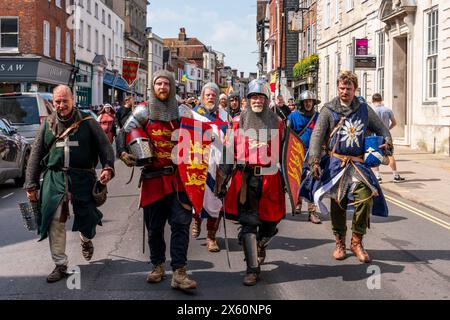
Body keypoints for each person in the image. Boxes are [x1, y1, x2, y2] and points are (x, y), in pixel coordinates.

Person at [24, 85, 115, 283]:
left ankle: (86, 238)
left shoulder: (88, 122)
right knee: (55, 220)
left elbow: (104, 146)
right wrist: (31, 185)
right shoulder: (47, 124)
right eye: (57, 101)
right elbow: (35, 155)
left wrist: (108, 167)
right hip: (55, 177)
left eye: (65, 100)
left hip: (82, 177)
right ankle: (60, 264)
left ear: (73, 100)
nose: (61, 105)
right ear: (53, 102)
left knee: (87, 217)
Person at [119, 70, 197, 290]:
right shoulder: (143, 110)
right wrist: (124, 152)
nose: (162, 87)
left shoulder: (183, 112)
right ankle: (158, 266)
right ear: (153, 87)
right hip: (153, 179)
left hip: (178, 179)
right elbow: (124, 133)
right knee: (154, 228)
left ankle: (180, 272)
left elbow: (197, 140)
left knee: (181, 225)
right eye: (158, 84)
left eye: (166, 84)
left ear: (172, 87)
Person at [308, 71, 392, 263]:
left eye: (349, 88)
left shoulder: (364, 109)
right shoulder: (328, 110)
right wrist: (314, 160)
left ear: (355, 89)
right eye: (342, 88)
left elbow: (382, 129)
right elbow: (317, 136)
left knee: (365, 199)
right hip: (336, 163)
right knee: (339, 203)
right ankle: (340, 242)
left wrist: (387, 142)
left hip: (358, 164)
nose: (345, 91)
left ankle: (357, 241)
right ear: (338, 88)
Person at [221, 78, 286, 286]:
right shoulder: (237, 121)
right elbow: (228, 151)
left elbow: (286, 153)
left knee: (271, 221)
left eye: (261, 97)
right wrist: (222, 178)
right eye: (253, 97)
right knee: (248, 223)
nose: (257, 100)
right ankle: (252, 269)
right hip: (246, 178)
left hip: (270, 178)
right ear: (248, 99)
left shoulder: (278, 122)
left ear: (267, 99)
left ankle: (261, 242)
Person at [190, 83, 230, 253]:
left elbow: (230, 137)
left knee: (216, 200)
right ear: (202, 96)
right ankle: (196, 220)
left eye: (214, 95)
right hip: (199, 163)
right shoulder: (194, 114)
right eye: (208, 95)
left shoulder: (224, 114)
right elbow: (188, 135)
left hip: (219, 163)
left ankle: (211, 237)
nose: (211, 97)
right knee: (196, 197)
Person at [287, 90, 321, 223]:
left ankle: (312, 211)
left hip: (314, 154)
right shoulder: (293, 117)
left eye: (310, 101)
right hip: (297, 153)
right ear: (301, 103)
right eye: (306, 101)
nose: (308, 104)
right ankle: (298, 203)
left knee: (313, 181)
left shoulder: (318, 117)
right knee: (298, 179)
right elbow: (288, 135)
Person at [371, 93, 405, 183]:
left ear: (372, 101)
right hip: (386, 136)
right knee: (390, 155)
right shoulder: (388, 110)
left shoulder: (371, 110)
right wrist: (387, 129)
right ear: (381, 100)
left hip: (375, 136)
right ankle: (396, 175)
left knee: (374, 154)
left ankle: (378, 177)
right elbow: (394, 123)